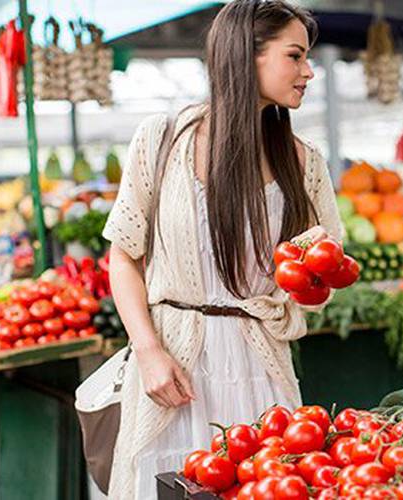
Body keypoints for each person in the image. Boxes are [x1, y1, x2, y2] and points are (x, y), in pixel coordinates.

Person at [101, 2, 343, 497]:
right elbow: (124, 255)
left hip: (263, 373)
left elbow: (323, 275)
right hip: (173, 370)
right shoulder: (162, 140)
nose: (308, 71)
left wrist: (315, 281)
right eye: (295, 56)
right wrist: (147, 351)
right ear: (245, 56)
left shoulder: (305, 163)